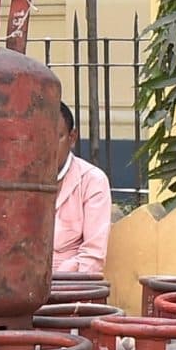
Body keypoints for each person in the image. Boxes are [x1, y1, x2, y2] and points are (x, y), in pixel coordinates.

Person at [51, 102, 112, 277]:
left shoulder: (92, 181)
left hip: (70, 289)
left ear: (72, 137)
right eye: (39, 138)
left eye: (57, 137)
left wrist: (50, 284)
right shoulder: (19, 180)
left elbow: (93, 258)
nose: (47, 147)